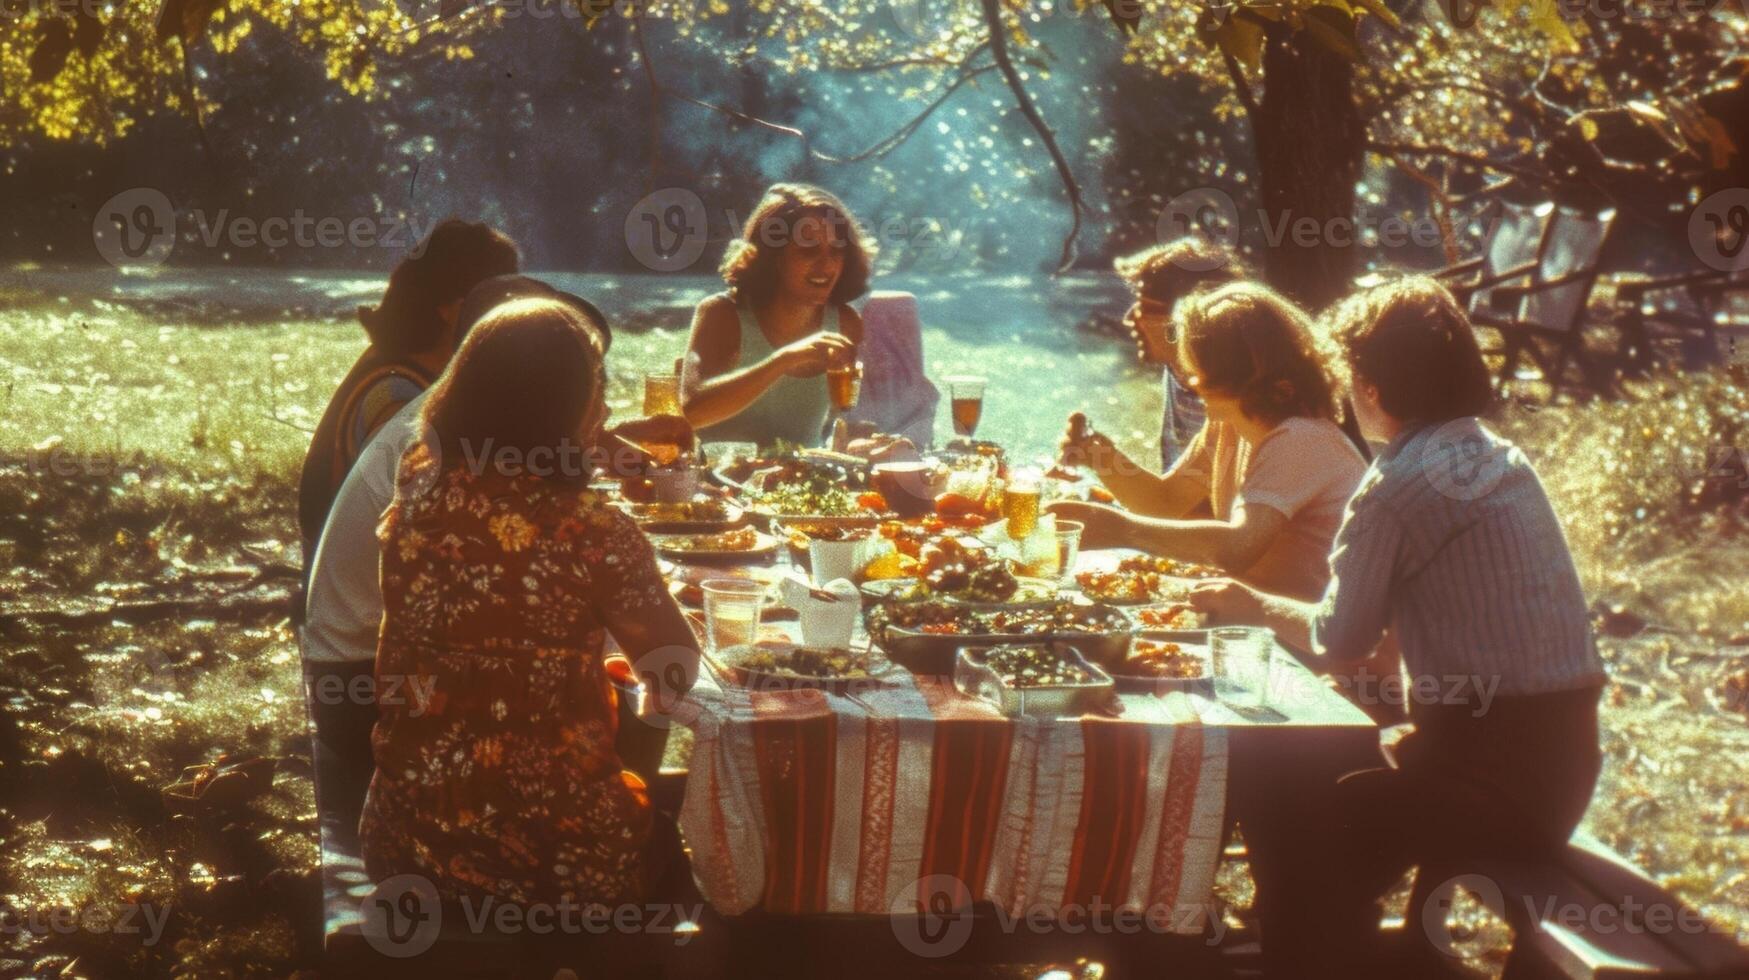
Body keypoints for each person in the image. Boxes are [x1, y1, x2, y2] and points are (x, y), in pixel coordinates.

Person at [1189, 277, 1606, 975]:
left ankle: (1311, 957)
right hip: (1559, 764)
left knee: (1298, 834)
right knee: (1315, 785)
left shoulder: (1396, 485)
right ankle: (1366, 952)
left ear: (1371, 388)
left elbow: (1339, 640)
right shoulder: (1496, 456)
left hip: (1487, 780)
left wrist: (1249, 603)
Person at [302, 275, 690, 824]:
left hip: (408, 824)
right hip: (352, 692)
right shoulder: (592, 529)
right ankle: (634, 811)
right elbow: (675, 668)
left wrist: (598, 438)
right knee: (632, 679)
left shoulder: (422, 478)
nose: (602, 404)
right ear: (554, 399)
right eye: (592, 385)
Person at [1050, 282, 1370, 606]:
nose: (1190, 379)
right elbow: (1166, 502)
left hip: (1317, 630)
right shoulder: (1228, 427)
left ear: (1237, 373)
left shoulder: (1302, 438)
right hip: (1266, 616)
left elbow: (1237, 548)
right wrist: (1098, 456)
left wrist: (1120, 529)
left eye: (1197, 364)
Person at [297, 218, 519, 564]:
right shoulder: (396, 394)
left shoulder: (412, 372)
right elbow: (418, 527)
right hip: (361, 610)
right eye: (504, 302)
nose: (514, 318)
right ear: (454, 310)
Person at [681, 183, 874, 448]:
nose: (826, 265)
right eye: (809, 250)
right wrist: (784, 359)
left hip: (804, 483)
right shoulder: (723, 314)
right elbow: (691, 411)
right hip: (722, 483)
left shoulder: (846, 322)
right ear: (773, 257)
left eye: (836, 251)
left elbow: (845, 419)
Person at [1116, 237, 1247, 469]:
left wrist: (1096, 454)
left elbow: (1180, 498)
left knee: (1048, 500)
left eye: (1143, 307)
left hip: (1208, 505)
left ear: (1181, 318)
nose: (1129, 319)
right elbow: (1172, 487)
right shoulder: (1177, 367)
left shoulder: (1235, 397)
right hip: (1180, 501)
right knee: (1039, 496)